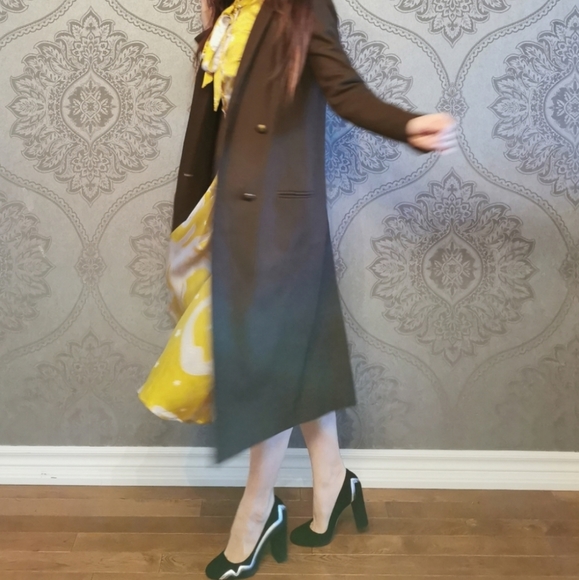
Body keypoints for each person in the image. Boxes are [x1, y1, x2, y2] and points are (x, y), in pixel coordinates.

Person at [140, 0, 457, 578]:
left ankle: (258, 511)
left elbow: (344, 89)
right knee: (299, 349)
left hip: (278, 216)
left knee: (268, 358)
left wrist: (407, 124)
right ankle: (332, 479)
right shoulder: (224, 16)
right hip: (222, 211)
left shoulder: (302, 9)